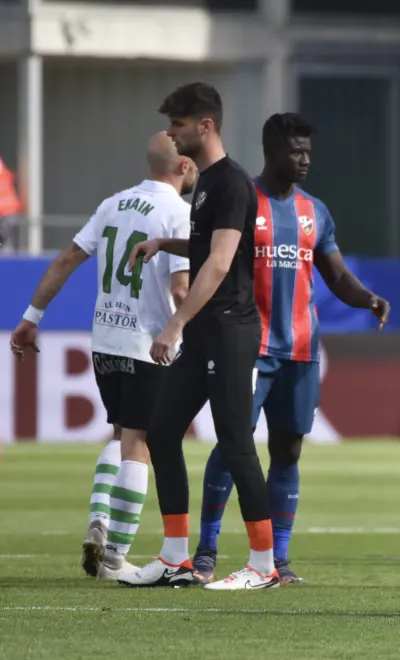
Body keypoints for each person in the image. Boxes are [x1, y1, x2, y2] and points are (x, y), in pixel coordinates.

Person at [191, 113, 391, 584]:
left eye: (308, 152)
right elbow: (209, 253)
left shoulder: (314, 211)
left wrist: (368, 299)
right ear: (271, 152)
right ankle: (205, 550)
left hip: (301, 351)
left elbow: (337, 276)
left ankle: (278, 560)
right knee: (234, 443)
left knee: (288, 450)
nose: (304, 160)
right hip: (250, 347)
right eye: (295, 151)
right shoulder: (244, 200)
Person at [9, 133, 196, 580]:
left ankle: (100, 520)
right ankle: (114, 556)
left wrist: (31, 316)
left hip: (105, 341)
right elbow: (180, 288)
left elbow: (66, 259)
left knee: (120, 434)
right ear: (185, 167)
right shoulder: (179, 213)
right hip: (148, 342)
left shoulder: (113, 203)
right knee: (140, 442)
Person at [117, 82, 275, 590]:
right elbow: (208, 245)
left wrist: (175, 323)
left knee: (234, 443)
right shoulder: (206, 181)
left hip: (228, 330)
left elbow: (221, 262)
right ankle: (175, 557)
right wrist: (167, 242)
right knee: (162, 433)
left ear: (204, 126)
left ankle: (263, 566)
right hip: (207, 331)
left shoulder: (230, 183)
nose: (171, 133)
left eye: (178, 125)